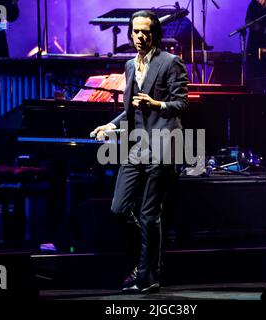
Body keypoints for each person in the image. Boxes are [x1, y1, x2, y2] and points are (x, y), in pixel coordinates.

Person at [91, 10, 189, 293]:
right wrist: (110, 127)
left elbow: (182, 104)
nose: (140, 37)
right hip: (137, 147)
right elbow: (129, 111)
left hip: (165, 144)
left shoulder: (171, 62)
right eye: (135, 31)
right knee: (119, 207)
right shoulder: (130, 66)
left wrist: (157, 104)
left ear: (155, 34)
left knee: (148, 214)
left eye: (146, 32)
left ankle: (147, 274)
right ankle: (150, 256)